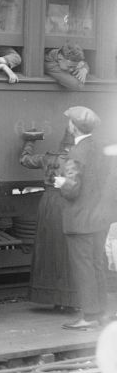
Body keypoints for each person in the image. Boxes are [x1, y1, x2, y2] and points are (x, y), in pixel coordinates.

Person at [55, 106, 109, 330]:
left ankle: (88, 316)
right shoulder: (99, 147)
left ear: (73, 127)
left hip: (80, 220)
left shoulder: (76, 153)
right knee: (97, 264)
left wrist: (61, 183)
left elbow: (72, 189)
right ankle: (101, 313)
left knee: (84, 267)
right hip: (99, 218)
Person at [19, 127, 76, 310]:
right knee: (68, 251)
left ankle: (53, 299)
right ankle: (69, 300)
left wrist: (29, 142)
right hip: (68, 203)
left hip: (48, 203)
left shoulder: (48, 157)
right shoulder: (77, 160)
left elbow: (25, 160)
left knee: (48, 248)